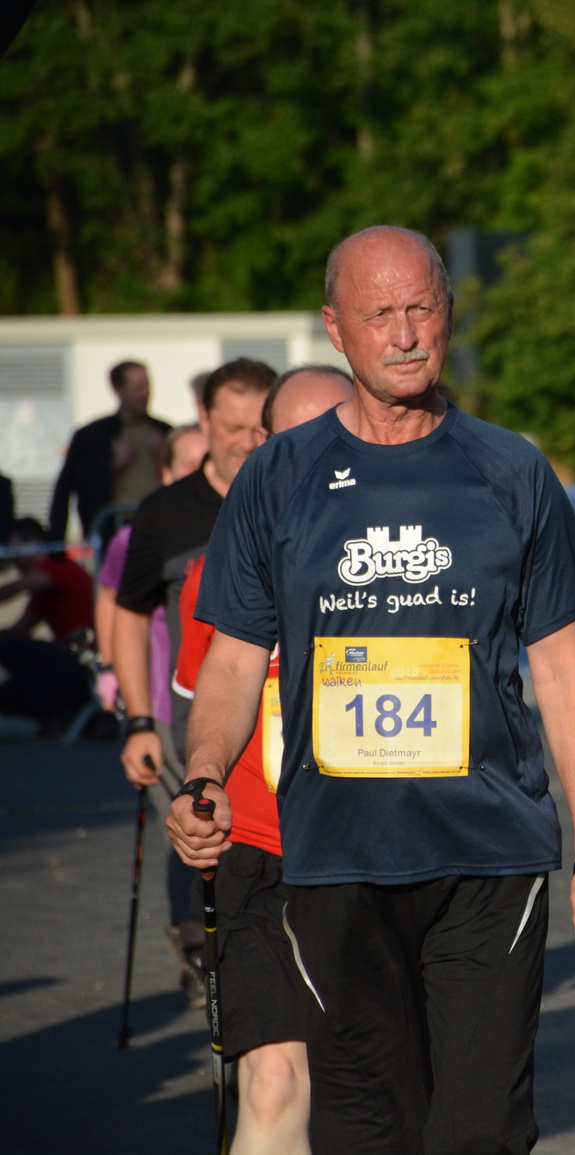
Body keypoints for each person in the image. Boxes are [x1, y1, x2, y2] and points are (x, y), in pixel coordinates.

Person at [165, 225, 575, 1153]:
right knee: (364, 1128)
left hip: (489, 853)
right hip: (335, 856)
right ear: (338, 331)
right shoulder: (280, 476)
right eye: (381, 314)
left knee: (478, 1129)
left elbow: (560, 666)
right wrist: (205, 771)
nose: (407, 332)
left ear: (448, 314)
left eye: (423, 307)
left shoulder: (511, 468)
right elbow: (228, 657)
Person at [167, 365, 353, 1155]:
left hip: (375, 852)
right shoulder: (222, 567)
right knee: (273, 1077)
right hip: (261, 850)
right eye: (298, 440)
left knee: (366, 1087)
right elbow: (201, 708)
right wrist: (197, 786)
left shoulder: (412, 562)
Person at [114, 358, 271, 1004]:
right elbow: (127, 612)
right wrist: (139, 719)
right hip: (194, 716)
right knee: (208, 846)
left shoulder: (298, 495)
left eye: (261, 426)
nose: (248, 441)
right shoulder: (166, 513)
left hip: (291, 722)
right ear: (205, 421)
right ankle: (208, 953)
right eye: (233, 426)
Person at [94, 424, 207, 717]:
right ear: (166, 473)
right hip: (166, 701)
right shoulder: (132, 538)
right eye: (188, 464)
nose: (199, 473)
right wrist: (109, 667)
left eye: (206, 462)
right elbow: (110, 598)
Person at [48, 360, 172, 545]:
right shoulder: (92, 436)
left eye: (147, 387)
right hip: (113, 533)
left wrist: (161, 458)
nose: (144, 394)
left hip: (159, 528)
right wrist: (112, 467)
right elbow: (69, 486)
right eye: (137, 388)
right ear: (118, 389)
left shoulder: (164, 432)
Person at [0, 517, 94, 642]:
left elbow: (17, 587)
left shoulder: (55, 566)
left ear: (34, 542)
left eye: (13, 548)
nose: (12, 557)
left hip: (81, 650)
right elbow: (21, 628)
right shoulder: (45, 590)